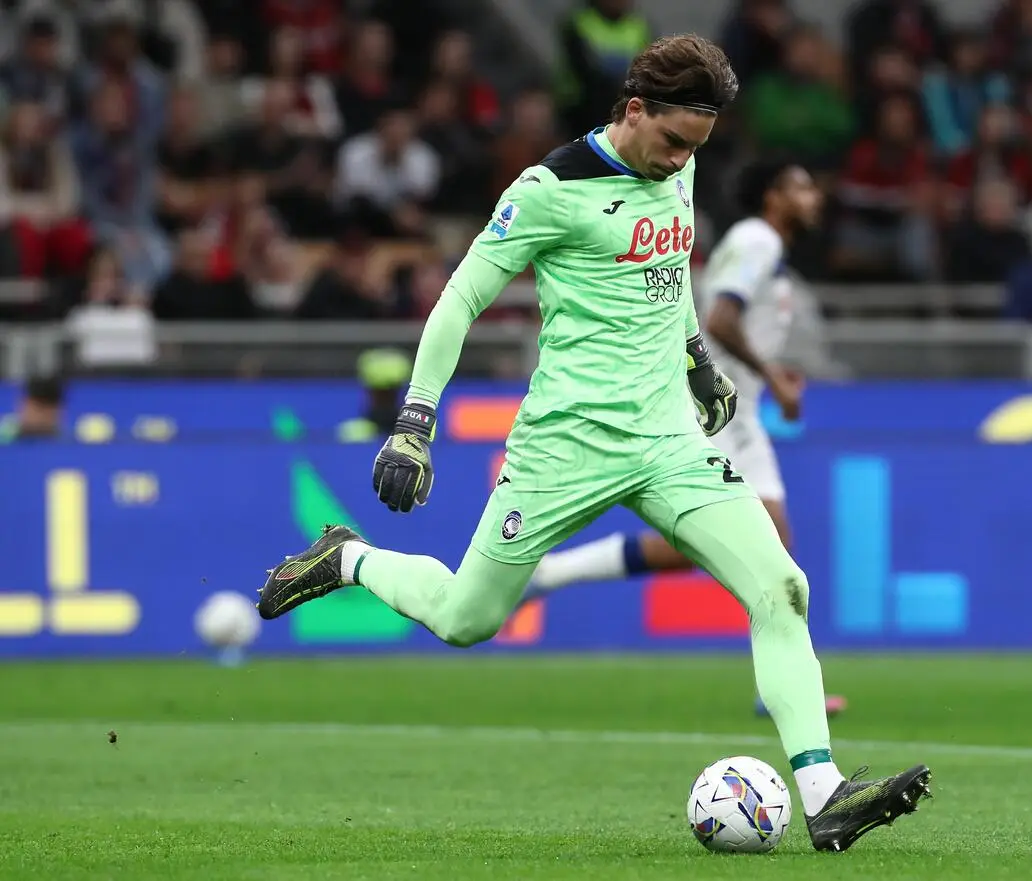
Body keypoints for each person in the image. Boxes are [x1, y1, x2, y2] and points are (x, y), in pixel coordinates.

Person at [255, 34, 931, 852]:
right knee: (468, 619)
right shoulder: (547, 190)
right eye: (674, 141)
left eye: (697, 148)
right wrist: (415, 422)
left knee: (781, 586)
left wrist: (699, 364)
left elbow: (675, 274)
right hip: (563, 445)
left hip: (667, 439)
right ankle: (348, 557)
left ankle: (825, 794)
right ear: (633, 110)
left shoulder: (674, 168)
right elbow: (459, 300)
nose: (681, 161)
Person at [518, 158, 848, 719]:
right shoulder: (758, 239)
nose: (813, 197)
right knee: (763, 550)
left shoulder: (768, 251)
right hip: (713, 410)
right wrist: (770, 376)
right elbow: (719, 319)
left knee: (744, 548)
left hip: (739, 416)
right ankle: (783, 691)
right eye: (799, 186)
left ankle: (552, 573)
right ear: (771, 197)